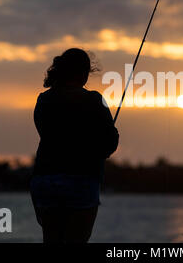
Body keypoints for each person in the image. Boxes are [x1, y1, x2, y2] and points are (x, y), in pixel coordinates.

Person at [30, 48, 119, 243]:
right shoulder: (95, 100)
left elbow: (47, 134)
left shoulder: (43, 100)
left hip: (45, 182)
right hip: (81, 182)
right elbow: (111, 142)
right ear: (84, 73)